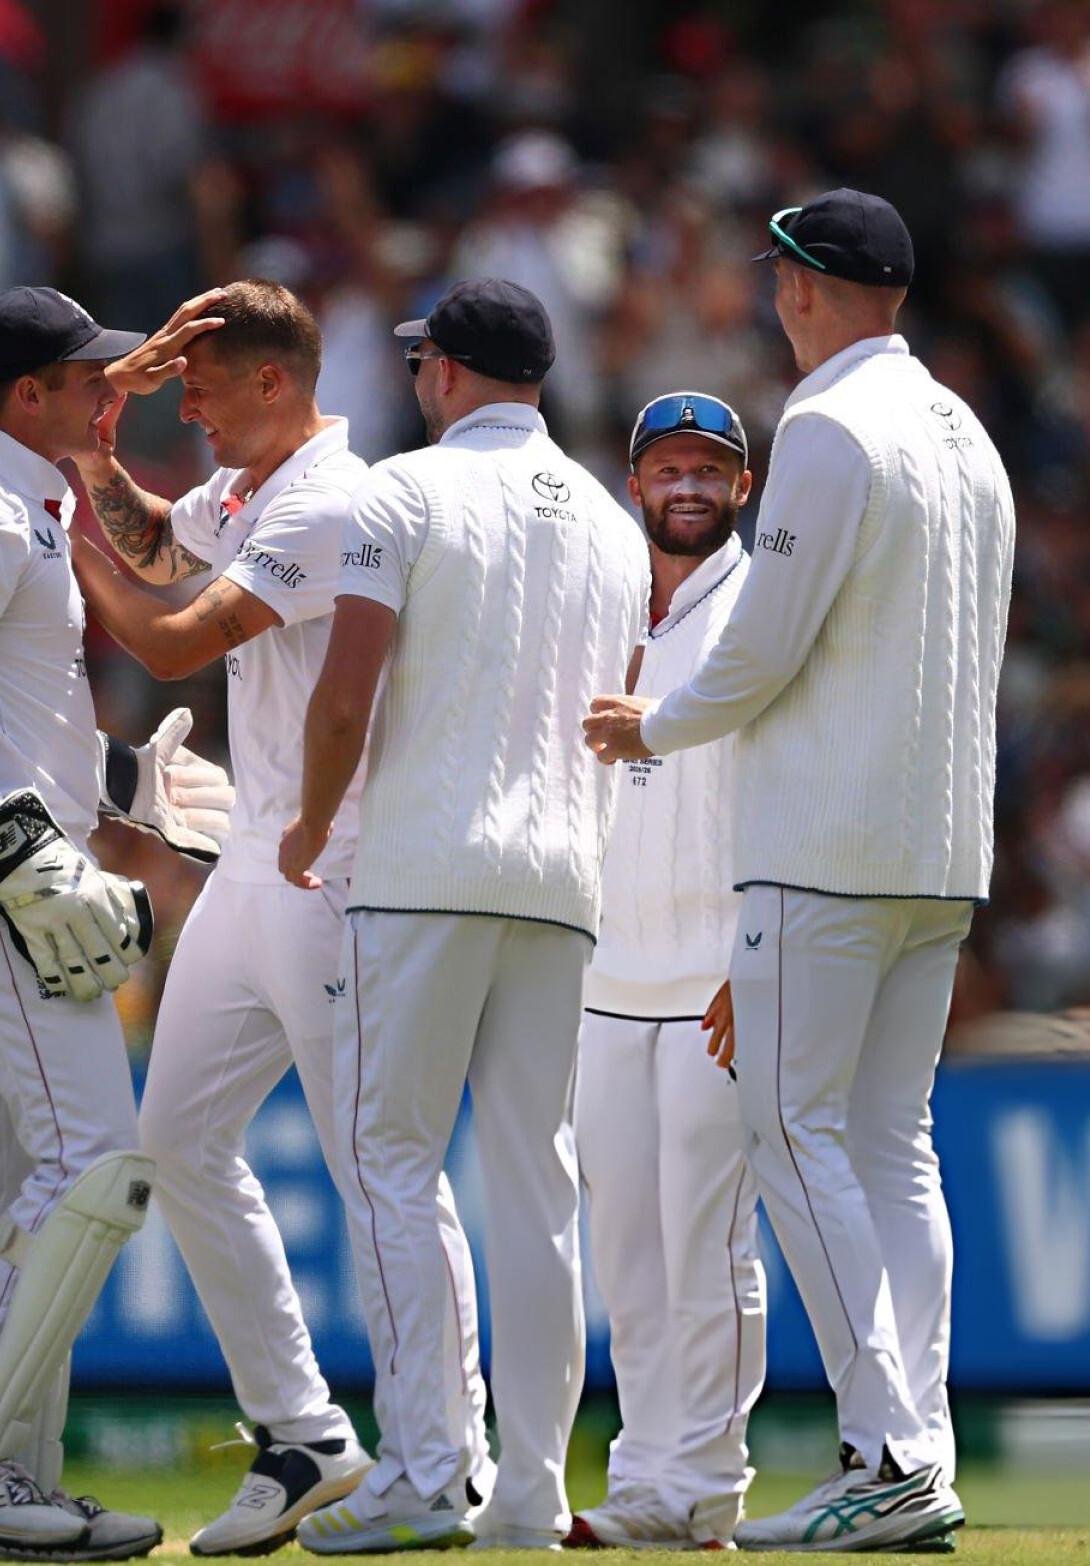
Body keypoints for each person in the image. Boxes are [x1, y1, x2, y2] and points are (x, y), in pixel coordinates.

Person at [584, 189, 1015, 1553]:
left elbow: (761, 650)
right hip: (941, 848)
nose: (773, 296)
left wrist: (646, 723)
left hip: (822, 847)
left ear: (807, 287)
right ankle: (919, 1446)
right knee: (890, 1143)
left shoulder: (830, 425)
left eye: (779, 275)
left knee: (796, 1135)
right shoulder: (966, 433)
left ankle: (885, 1451)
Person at [66, 280, 491, 1554]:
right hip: (254, 859)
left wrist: (59, 543)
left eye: (199, 387)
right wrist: (97, 439)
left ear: (270, 384)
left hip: (339, 869)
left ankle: (451, 1456)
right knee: (179, 1142)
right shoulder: (246, 493)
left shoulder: (328, 503)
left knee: (381, 1165)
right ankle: (303, 1432)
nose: (182, 406)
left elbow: (173, 638)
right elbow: (155, 537)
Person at [286, 279, 649, 1553]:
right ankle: (533, 1497)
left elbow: (344, 697)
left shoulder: (404, 490)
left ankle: (427, 1469)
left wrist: (303, 826)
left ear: (443, 369)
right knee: (537, 1187)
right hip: (562, 882)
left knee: (391, 1163)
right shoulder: (614, 525)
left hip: (428, 869)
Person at [0, 287, 195, 1558]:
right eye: (86, 381)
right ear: (27, 398)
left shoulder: (23, 498)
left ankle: (14, 1468)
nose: (107, 397)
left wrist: (124, 787)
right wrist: (24, 851)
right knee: (98, 1166)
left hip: (14, 866)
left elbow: (0, 710)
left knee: (23, 1185)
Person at [567, 392, 763, 1552]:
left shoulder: (761, 606)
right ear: (635, 482)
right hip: (605, 970)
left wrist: (757, 953)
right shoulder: (600, 601)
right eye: (668, 468)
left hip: (713, 974)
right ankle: (646, 1477)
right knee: (629, 1251)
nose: (687, 485)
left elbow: (782, 788)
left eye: (710, 469)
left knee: (708, 1243)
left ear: (742, 488)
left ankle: (710, 1483)